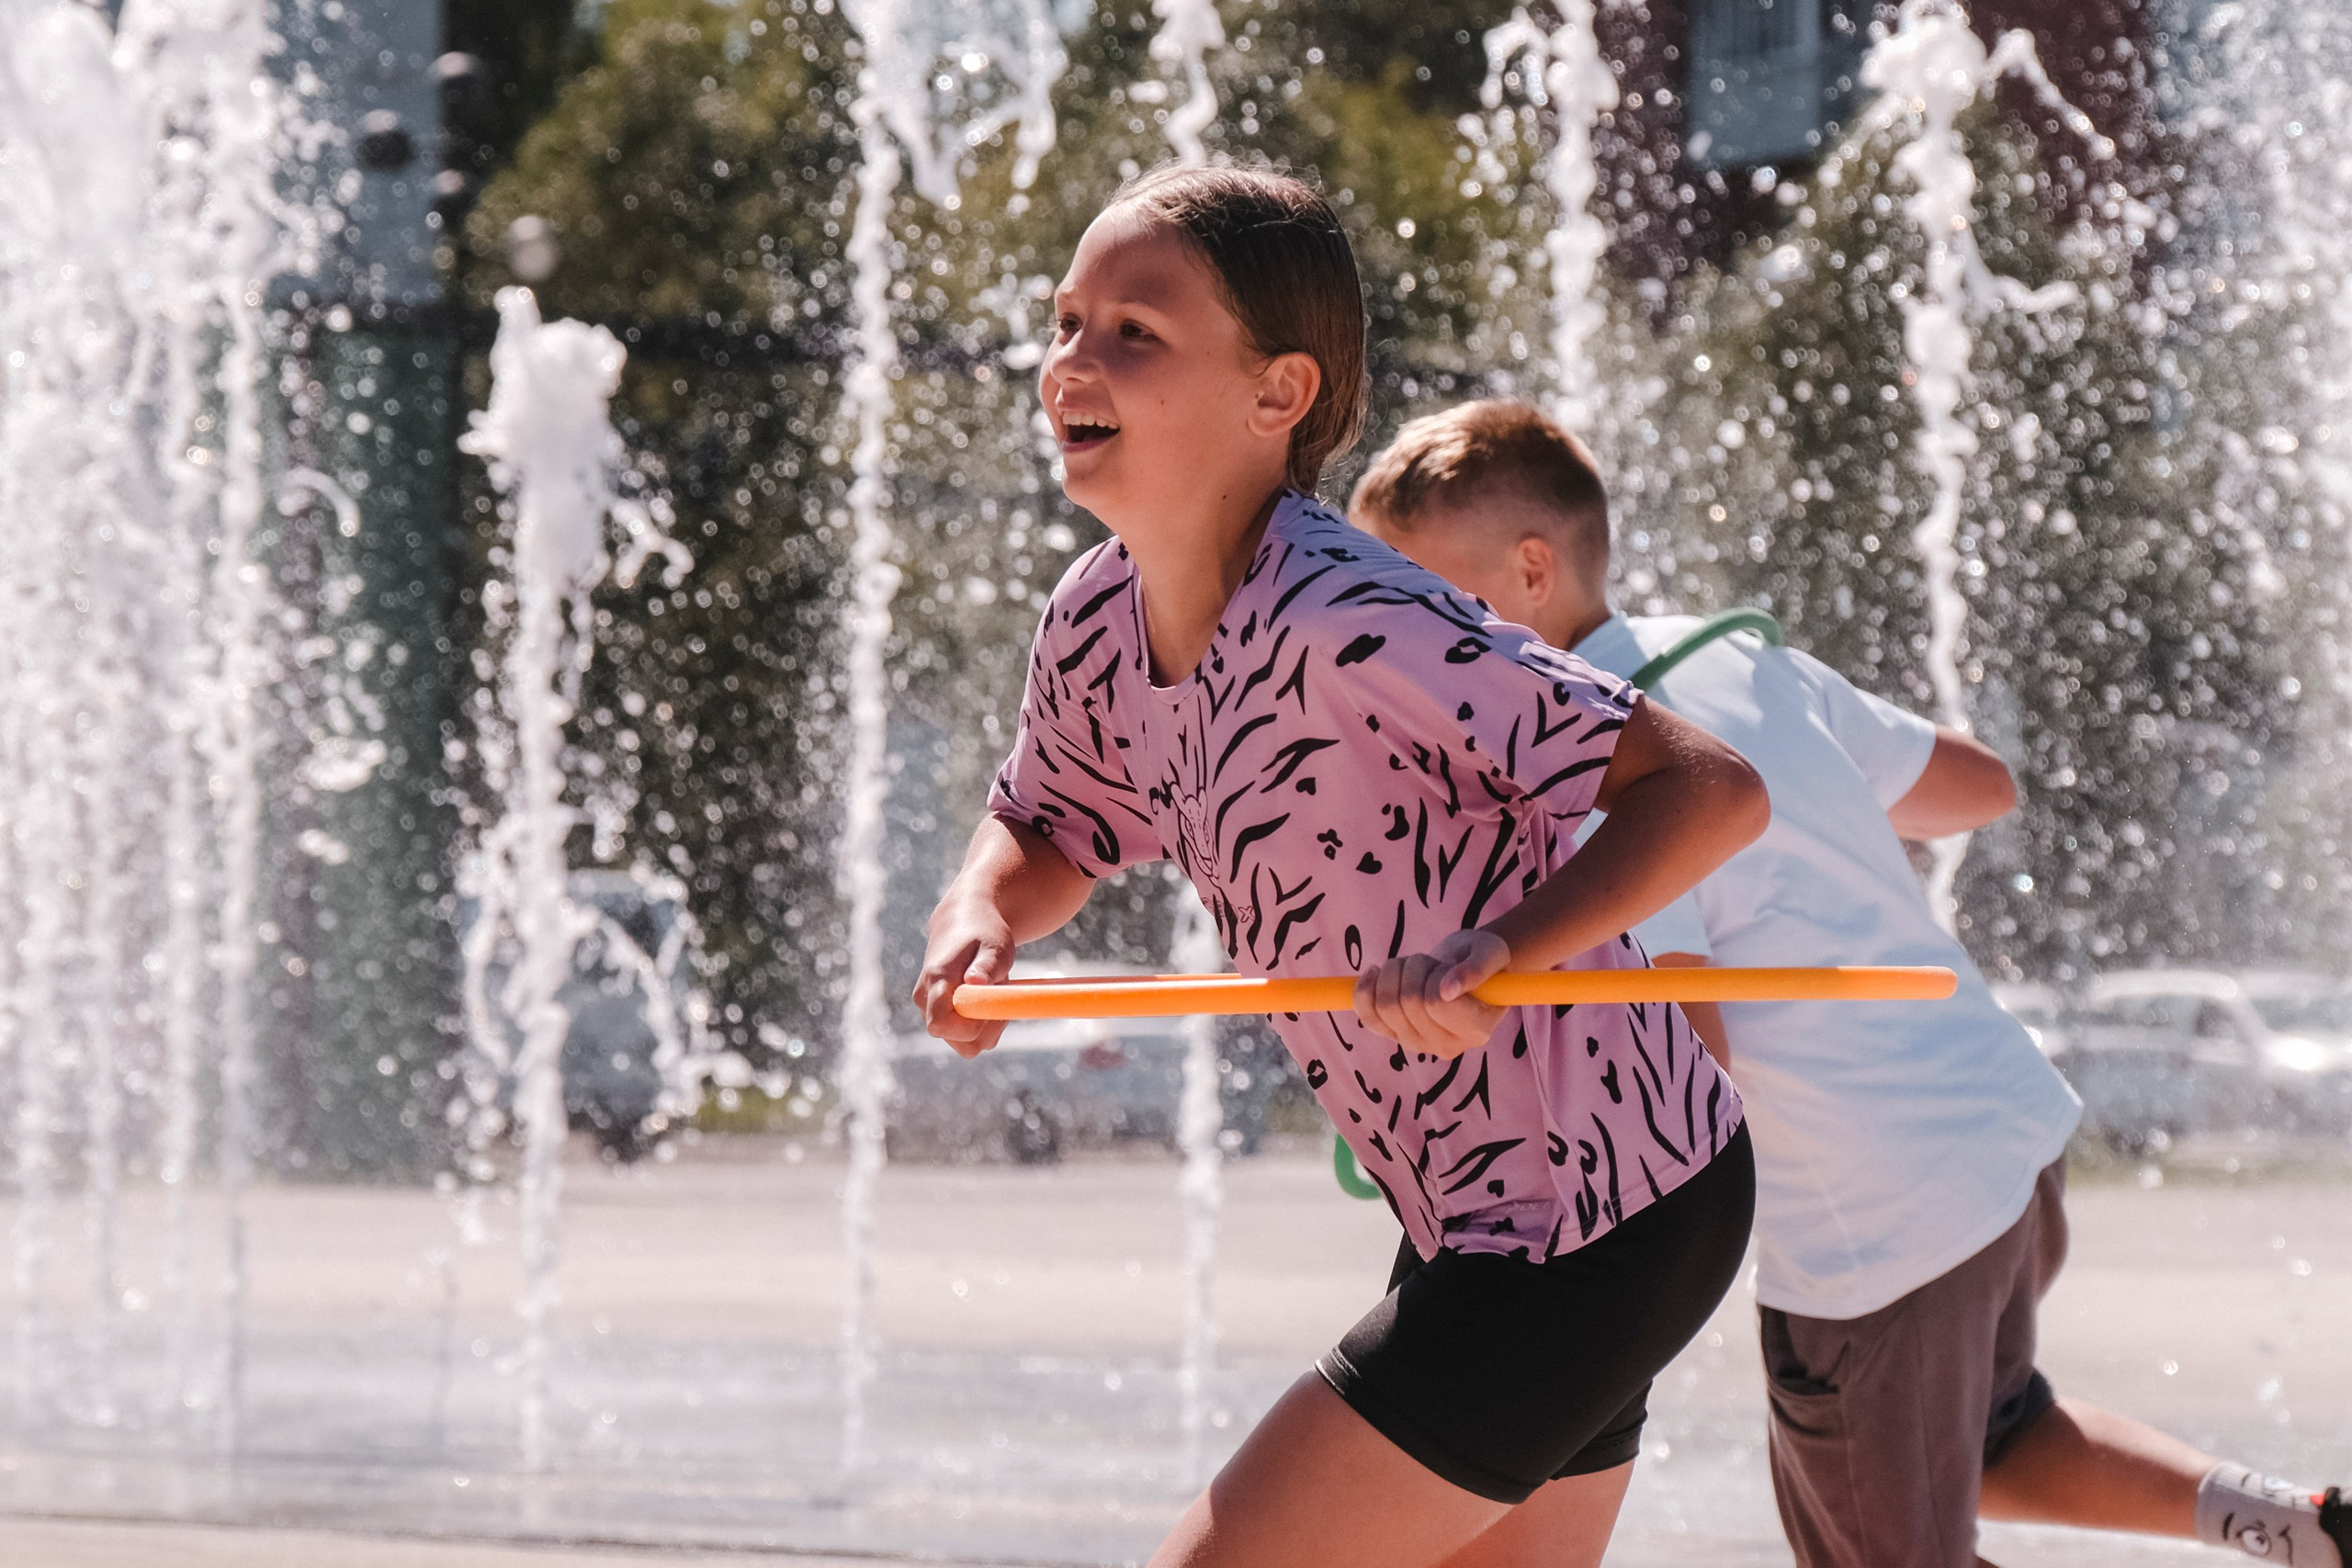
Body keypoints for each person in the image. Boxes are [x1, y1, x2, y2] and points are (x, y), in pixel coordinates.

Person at [915, 165, 1773, 1568]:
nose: (1073, 357)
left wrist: (1507, 949)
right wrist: (977, 919)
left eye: (1135, 330)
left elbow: (1706, 787)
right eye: (1067, 320)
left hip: (1591, 1202)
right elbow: (1050, 819)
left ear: (1279, 395)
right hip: (1501, 1207)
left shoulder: (1349, 614)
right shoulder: (1090, 618)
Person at [1351, 397, 2350, 1568]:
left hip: (1875, 1224)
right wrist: (1815, 826)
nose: (1406, 643)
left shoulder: (1592, 773)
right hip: (2006, 1142)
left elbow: (1686, 1057)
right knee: (1985, 1435)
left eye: (1420, 598)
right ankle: (2306, 1531)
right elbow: (1978, 788)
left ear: (1530, 570)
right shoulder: (1738, 661)